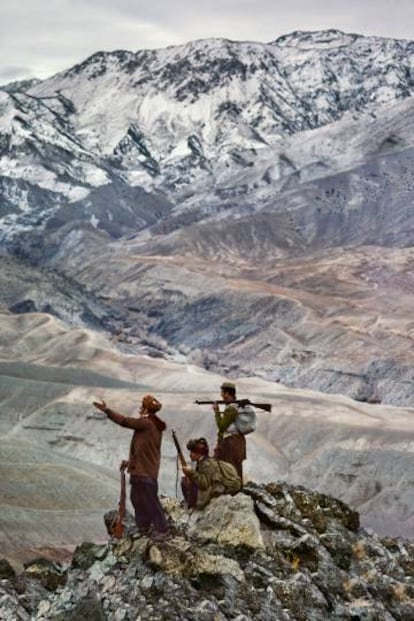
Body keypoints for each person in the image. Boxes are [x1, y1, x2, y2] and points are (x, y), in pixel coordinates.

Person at [93, 394, 169, 541]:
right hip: (142, 471)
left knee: (149, 501)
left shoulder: (146, 423)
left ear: (146, 409)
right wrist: (130, 463)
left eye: (142, 406)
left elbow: (124, 421)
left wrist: (107, 410)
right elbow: (143, 451)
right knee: (137, 499)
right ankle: (143, 528)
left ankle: (162, 529)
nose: (140, 408)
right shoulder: (152, 425)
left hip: (145, 473)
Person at [181, 437, 241, 509]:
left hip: (215, 491)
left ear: (199, 453)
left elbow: (204, 484)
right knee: (185, 481)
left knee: (185, 482)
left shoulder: (207, 464)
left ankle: (194, 505)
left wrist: (191, 472)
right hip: (212, 489)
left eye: (193, 452)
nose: (190, 455)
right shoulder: (203, 461)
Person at [213, 381, 246, 480]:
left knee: (230, 469)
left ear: (227, 393)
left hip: (231, 442)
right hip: (236, 442)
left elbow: (222, 426)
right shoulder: (234, 406)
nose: (221, 395)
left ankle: (234, 491)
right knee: (234, 468)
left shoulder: (231, 409)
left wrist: (216, 412)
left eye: (222, 392)